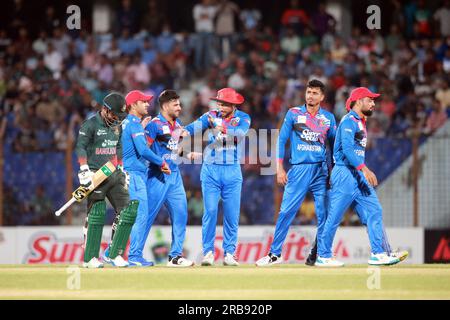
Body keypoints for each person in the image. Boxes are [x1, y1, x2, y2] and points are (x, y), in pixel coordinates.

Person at [316, 87, 404, 267]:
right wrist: (364, 169)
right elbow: (347, 149)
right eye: (370, 100)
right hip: (345, 173)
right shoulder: (349, 120)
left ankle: (379, 254)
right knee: (334, 217)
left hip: (357, 174)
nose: (373, 103)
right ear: (358, 101)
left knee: (375, 210)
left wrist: (361, 170)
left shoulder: (360, 122)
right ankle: (323, 256)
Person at [255, 79, 337, 267]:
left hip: (321, 171)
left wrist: (334, 172)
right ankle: (275, 254)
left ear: (322, 97)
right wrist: (279, 168)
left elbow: (334, 147)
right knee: (286, 212)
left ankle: (323, 255)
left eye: (315, 93)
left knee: (324, 214)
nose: (311, 95)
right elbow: (281, 140)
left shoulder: (329, 119)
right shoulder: (293, 114)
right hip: (299, 169)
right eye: (309, 92)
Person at [185, 87, 251, 266]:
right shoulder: (210, 116)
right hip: (211, 170)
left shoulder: (243, 118)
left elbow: (240, 134)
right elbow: (192, 128)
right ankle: (208, 253)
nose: (220, 106)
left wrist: (222, 126)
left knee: (231, 215)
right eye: (219, 103)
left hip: (232, 171)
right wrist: (179, 132)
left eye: (224, 104)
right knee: (211, 212)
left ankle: (229, 253)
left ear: (233, 105)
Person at [129, 89, 195, 267]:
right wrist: (157, 164)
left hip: (175, 176)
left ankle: (175, 256)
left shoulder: (177, 123)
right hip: (157, 177)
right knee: (146, 217)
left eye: (179, 104)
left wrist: (187, 155)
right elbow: (144, 150)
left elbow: (171, 146)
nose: (179, 108)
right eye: (176, 105)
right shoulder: (154, 125)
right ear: (165, 106)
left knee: (181, 215)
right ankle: (133, 255)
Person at [75, 92, 137, 268]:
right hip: (96, 174)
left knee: (128, 210)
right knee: (98, 211)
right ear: (106, 110)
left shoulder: (117, 126)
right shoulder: (91, 124)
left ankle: (115, 254)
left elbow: (118, 146)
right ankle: (90, 258)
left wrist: (122, 167)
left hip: (113, 172)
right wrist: (84, 169)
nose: (118, 119)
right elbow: (80, 147)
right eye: (116, 115)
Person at [121, 90, 171, 267]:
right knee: (141, 215)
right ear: (133, 105)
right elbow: (142, 150)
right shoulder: (134, 125)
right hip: (134, 175)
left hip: (130, 174)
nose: (147, 104)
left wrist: (141, 128)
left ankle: (111, 253)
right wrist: (161, 162)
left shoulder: (129, 123)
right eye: (143, 102)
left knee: (129, 217)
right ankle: (134, 256)